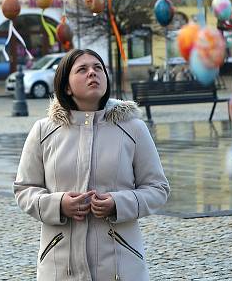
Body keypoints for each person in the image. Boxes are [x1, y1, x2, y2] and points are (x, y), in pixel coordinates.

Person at [14, 48, 170, 280]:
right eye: (82, 69)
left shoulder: (133, 128)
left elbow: (158, 189)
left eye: (98, 68)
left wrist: (118, 203)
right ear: (66, 85)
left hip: (120, 264)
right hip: (60, 265)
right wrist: (58, 205)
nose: (92, 73)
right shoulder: (43, 131)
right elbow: (24, 190)